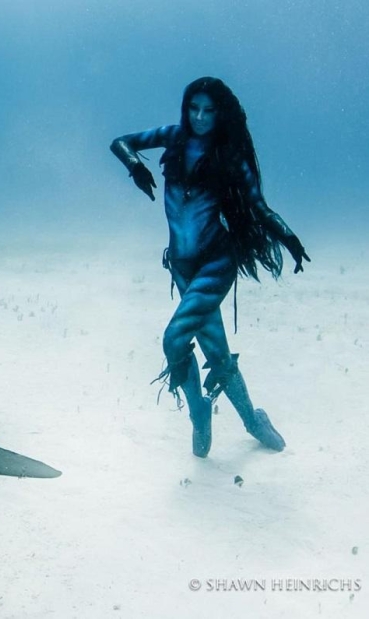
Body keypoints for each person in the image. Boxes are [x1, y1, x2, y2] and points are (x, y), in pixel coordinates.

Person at [110, 76, 310, 458]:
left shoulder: (230, 157)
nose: (200, 117)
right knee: (216, 352)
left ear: (221, 114)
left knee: (174, 340)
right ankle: (253, 420)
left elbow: (259, 207)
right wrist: (135, 165)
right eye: (194, 108)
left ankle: (199, 411)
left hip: (215, 262)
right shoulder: (172, 136)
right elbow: (120, 142)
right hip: (181, 265)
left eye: (208, 110)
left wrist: (290, 239)